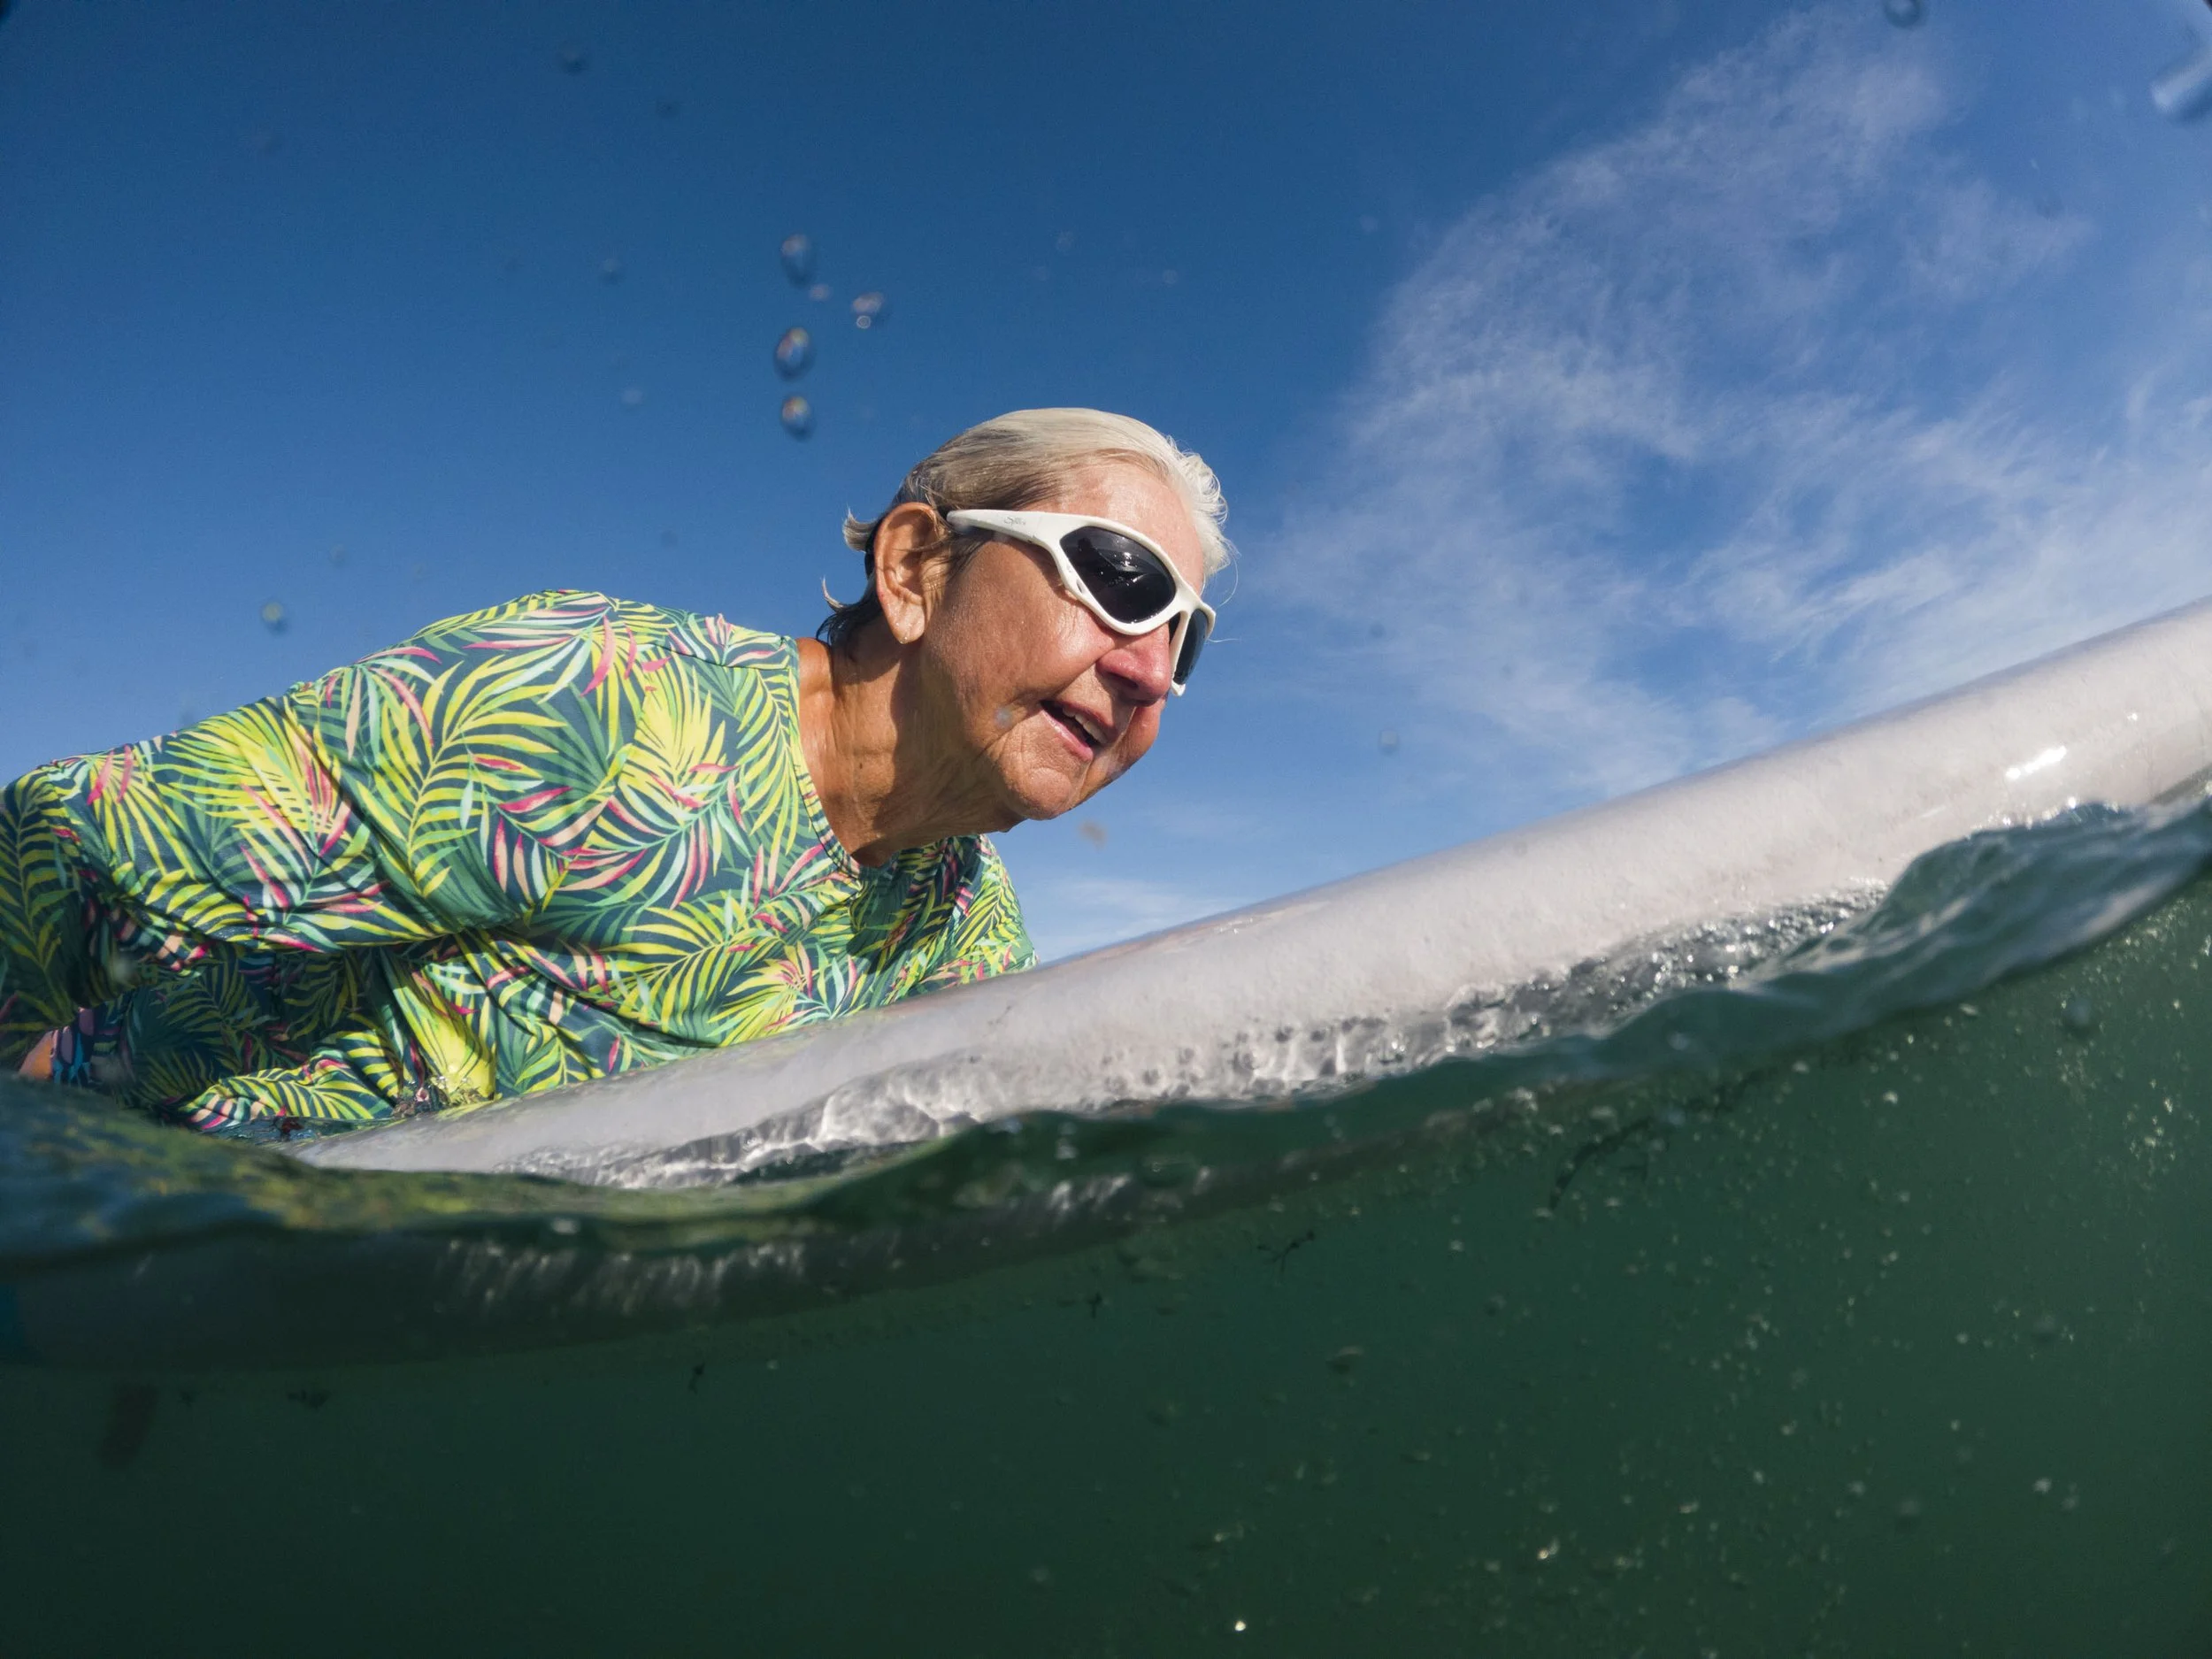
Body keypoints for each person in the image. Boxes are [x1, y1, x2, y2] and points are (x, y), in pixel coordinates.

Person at [0, 408, 1229, 1136]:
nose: (1147, 668)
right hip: (114, 1194)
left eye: (1187, 637)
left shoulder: (963, 937)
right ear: (916, 570)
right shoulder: (598, 710)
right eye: (1122, 579)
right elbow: (66, 853)